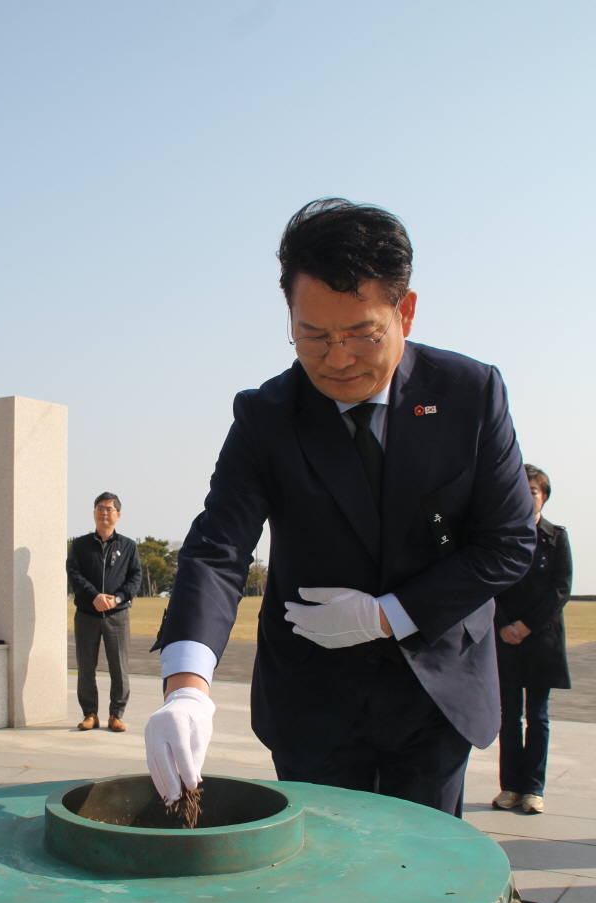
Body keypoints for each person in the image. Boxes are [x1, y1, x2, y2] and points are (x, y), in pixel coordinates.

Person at [145, 198, 537, 815]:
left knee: (423, 862)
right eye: (313, 335)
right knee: (320, 865)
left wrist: (387, 615)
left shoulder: (469, 394)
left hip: (435, 687)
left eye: (361, 333)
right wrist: (187, 687)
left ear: (406, 310)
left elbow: (508, 543)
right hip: (312, 695)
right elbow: (218, 548)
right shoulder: (268, 415)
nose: (337, 358)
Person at [492, 465, 572, 814]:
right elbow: (489, 583)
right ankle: (510, 787)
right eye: (521, 490)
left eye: (534, 491)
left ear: (544, 496)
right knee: (509, 717)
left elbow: (561, 588)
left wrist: (525, 626)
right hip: (506, 639)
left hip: (541, 640)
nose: (528, 497)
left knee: (537, 717)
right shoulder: (500, 536)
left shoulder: (557, 537)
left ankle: (533, 790)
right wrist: (503, 625)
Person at [67, 492, 141, 732]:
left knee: (119, 668)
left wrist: (116, 598)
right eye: (100, 508)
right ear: (94, 513)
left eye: (109, 509)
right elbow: (74, 574)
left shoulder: (128, 546)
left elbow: (135, 577)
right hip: (86, 615)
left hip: (117, 616)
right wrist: (94, 596)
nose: (104, 512)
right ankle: (90, 714)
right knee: (85, 667)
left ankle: (115, 715)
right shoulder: (80, 545)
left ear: (118, 515)